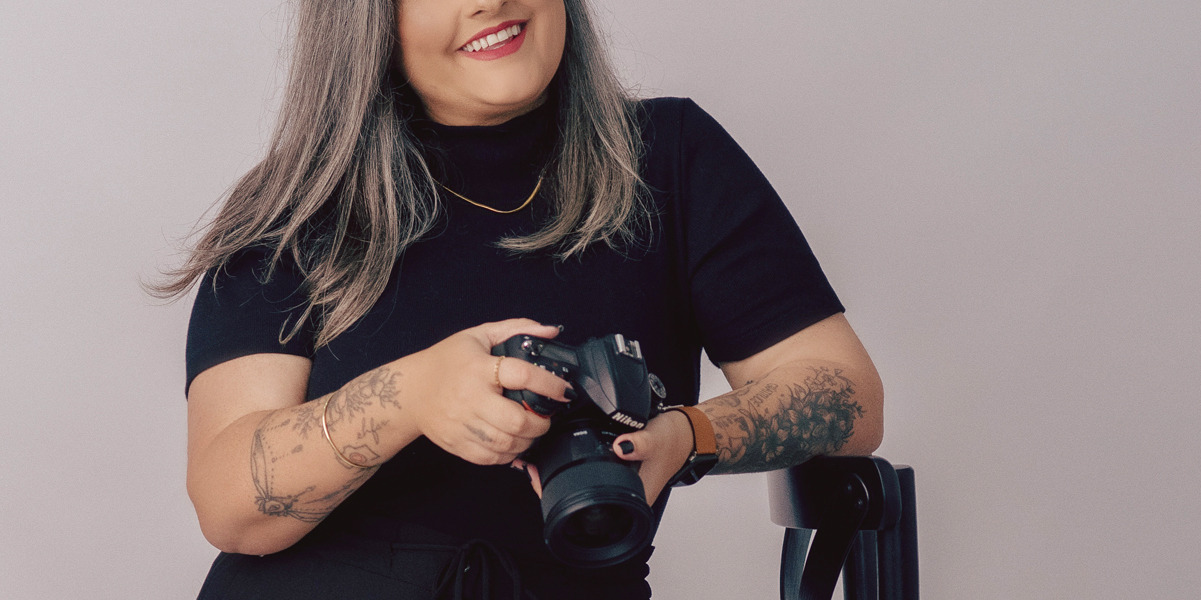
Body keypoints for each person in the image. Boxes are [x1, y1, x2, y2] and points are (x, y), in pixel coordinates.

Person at [156, 0, 883, 598]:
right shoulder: (298, 209)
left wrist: (685, 436)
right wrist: (412, 396)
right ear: (367, 17)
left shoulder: (669, 158)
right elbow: (229, 506)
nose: (490, 1)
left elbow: (849, 394)